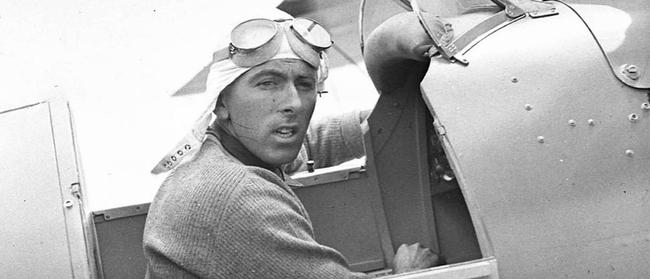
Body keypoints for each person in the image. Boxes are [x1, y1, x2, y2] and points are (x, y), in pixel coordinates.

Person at [143, 14, 438, 279]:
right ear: (221, 104)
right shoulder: (238, 196)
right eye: (268, 83)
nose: (294, 103)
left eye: (305, 84)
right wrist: (410, 274)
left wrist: (396, 116)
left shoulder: (222, 156)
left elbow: (312, 142)